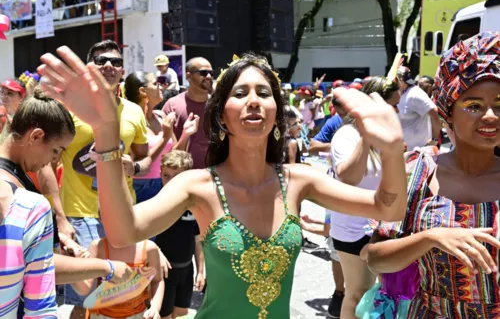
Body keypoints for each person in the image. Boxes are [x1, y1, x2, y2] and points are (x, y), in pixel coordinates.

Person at [38, 49, 408, 319]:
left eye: (264, 93)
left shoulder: (300, 180)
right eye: (239, 93)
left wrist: (392, 150)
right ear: (221, 115)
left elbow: (388, 208)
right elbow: (122, 233)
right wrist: (105, 132)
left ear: (277, 112)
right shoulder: (196, 186)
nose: (253, 102)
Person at [363, 32, 500, 318]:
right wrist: (430, 238)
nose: (490, 116)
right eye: (474, 106)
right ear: (448, 111)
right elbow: (375, 259)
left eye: (499, 105)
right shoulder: (419, 171)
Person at [38, 40, 151, 319]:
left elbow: (146, 160)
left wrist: (133, 168)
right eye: (101, 61)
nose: (109, 66)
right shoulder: (70, 109)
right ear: (89, 69)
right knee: (87, 297)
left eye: (115, 61)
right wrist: (61, 219)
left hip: (123, 217)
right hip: (80, 216)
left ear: (123, 71)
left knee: (122, 293)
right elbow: (45, 165)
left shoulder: (134, 112)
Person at [0, 89, 75, 318]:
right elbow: (39, 301)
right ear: (35, 136)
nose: (55, 160)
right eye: (55, 151)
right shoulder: (26, 202)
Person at [330, 76, 401, 319]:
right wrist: (366, 132)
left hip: (385, 227)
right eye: (392, 105)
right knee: (357, 292)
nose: (396, 111)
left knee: (382, 292)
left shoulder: (391, 134)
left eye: (397, 105)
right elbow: (348, 176)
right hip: (352, 228)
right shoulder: (346, 135)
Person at [156, 150, 205, 319]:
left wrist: (200, 270)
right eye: (166, 176)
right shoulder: (156, 201)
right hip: (164, 273)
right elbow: (145, 238)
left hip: (186, 269)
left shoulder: (193, 203)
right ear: (160, 173)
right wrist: (155, 252)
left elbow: (197, 238)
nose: (169, 181)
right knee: (164, 315)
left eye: (175, 177)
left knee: (182, 313)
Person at [72, 235, 164, 319]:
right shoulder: (98, 246)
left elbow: (157, 280)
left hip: (136, 314)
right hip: (102, 315)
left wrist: (155, 307)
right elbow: (84, 289)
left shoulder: (149, 248)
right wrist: (75, 264)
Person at [124, 71, 176, 203]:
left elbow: (174, 152)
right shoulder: (129, 121)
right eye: (155, 83)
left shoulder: (161, 116)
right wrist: (164, 138)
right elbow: (139, 162)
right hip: (140, 186)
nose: (161, 86)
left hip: (164, 183)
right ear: (143, 91)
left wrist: (187, 133)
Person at [162, 57, 212, 169]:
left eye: (211, 73)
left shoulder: (219, 105)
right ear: (189, 76)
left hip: (215, 176)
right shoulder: (171, 106)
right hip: (183, 176)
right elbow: (168, 154)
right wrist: (185, 135)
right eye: (203, 73)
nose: (209, 76)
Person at [300, 213, 345, 318]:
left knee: (337, 258)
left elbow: (327, 231)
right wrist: (314, 220)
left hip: (341, 244)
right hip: (362, 244)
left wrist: (305, 226)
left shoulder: (332, 201)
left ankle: (339, 298)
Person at [396, 66, 441, 150]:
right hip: (401, 150)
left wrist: (434, 139)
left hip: (417, 151)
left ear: (400, 80)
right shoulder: (399, 93)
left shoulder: (415, 94)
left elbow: (434, 113)